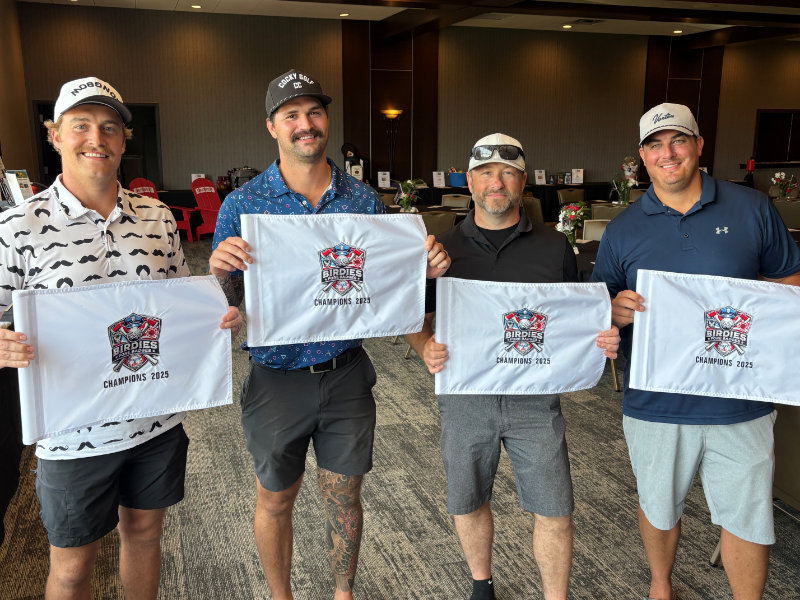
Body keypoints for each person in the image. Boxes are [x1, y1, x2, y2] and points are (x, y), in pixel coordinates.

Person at [209, 68, 450, 600]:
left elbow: (386, 288)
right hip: (277, 379)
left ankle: (343, 593)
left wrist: (423, 272)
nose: (305, 124)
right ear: (272, 126)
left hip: (346, 376)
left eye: (314, 112)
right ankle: (281, 596)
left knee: (344, 496)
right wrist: (218, 273)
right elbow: (224, 307)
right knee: (275, 499)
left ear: (326, 120)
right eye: (291, 115)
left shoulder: (362, 201)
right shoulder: (243, 205)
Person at [0, 77, 241, 599]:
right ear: (54, 135)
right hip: (71, 433)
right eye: (81, 126)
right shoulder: (18, 226)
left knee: (145, 537)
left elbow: (178, 302)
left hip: (155, 419)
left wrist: (213, 316)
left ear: (124, 140)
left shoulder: (156, 217)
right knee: (70, 567)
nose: (97, 138)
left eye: (110, 127)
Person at [591, 103, 800, 600]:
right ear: (642, 156)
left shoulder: (751, 209)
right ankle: (661, 585)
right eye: (656, 145)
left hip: (741, 399)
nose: (669, 153)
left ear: (699, 146)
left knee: (747, 514)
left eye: (679, 140)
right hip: (655, 400)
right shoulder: (623, 228)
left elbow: (790, 283)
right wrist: (613, 313)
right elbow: (597, 314)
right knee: (659, 506)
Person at [406, 133, 620, 600]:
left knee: (554, 505)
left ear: (523, 182)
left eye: (507, 172)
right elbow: (409, 319)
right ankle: (482, 586)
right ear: (470, 182)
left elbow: (574, 320)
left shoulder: (555, 248)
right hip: (466, 394)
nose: (496, 182)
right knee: (468, 496)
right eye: (485, 173)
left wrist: (598, 336)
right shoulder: (440, 250)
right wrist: (424, 346)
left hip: (535, 396)